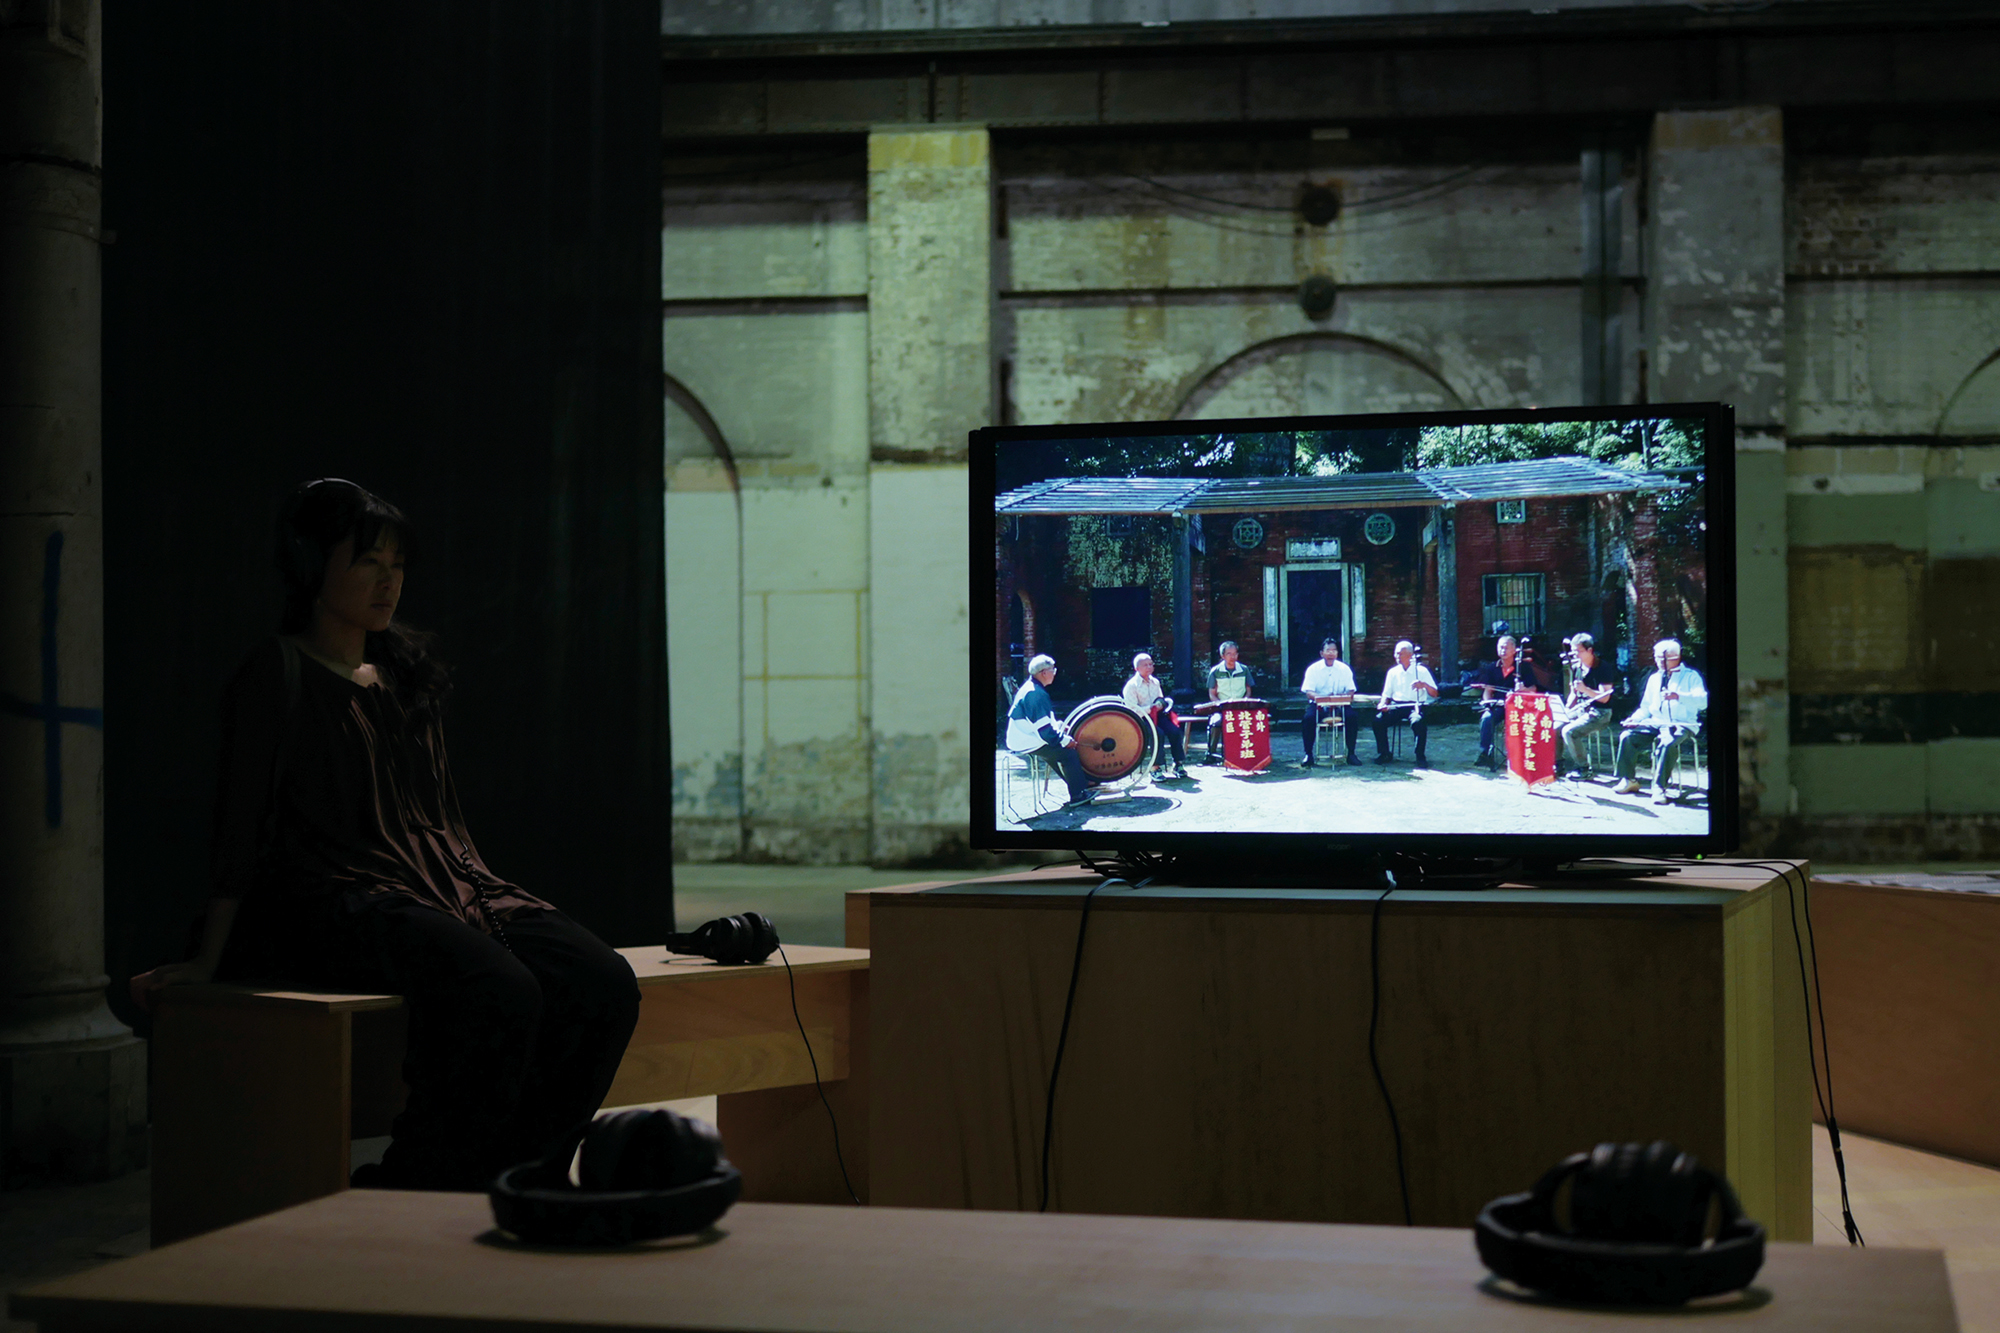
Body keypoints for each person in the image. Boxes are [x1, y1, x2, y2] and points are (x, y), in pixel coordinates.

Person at [129, 478, 641, 1192]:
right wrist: (208, 957)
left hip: (449, 883)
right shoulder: (276, 672)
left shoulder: (404, 673)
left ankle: (525, 1177)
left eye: (397, 564)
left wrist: (474, 891)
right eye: (368, 560)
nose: (388, 580)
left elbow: (438, 815)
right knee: (499, 988)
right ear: (312, 565)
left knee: (603, 981)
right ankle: (420, 1184)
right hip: (341, 892)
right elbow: (239, 826)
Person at [1613, 638, 1708, 803]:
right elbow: (1646, 707)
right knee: (1627, 736)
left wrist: (1679, 696)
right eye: (1656, 658)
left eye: (1662, 659)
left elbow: (1703, 702)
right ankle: (1628, 780)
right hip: (1656, 721)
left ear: (1676, 657)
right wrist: (1634, 719)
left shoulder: (1691, 676)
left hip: (1681, 723)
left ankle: (1659, 787)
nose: (1659, 662)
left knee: (1668, 742)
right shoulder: (1654, 678)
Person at [1007, 654, 1095, 807]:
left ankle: (1081, 782)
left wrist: (1059, 726)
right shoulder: (1036, 694)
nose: (1054, 673)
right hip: (1026, 740)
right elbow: (1045, 731)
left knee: (1056, 753)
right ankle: (1078, 795)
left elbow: (1042, 722)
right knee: (1068, 754)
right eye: (1052, 670)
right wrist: (1065, 740)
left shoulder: (1031, 688)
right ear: (1043, 673)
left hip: (1025, 737)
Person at [1467, 635, 1545, 771]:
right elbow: (1488, 690)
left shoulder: (1523, 667)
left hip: (1519, 706)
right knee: (1486, 718)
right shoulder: (1492, 668)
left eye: (1506, 647)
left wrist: (1524, 689)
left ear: (1514, 650)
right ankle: (1485, 753)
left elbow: (1534, 688)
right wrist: (1487, 704)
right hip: (1499, 705)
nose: (1503, 650)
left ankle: (1522, 756)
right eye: (1500, 647)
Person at [1558, 633, 1617, 780]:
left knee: (1569, 732)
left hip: (1600, 712)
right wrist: (1566, 710)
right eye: (1573, 652)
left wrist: (1585, 690)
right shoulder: (1576, 667)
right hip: (1581, 709)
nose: (1575, 655)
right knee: (1555, 725)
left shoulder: (1603, 667)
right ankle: (1558, 764)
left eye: (1578, 651)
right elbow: (1574, 693)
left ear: (1589, 650)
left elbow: (1604, 698)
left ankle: (1584, 769)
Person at [1373, 640, 1439, 767]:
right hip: (1397, 705)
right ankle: (1384, 753)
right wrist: (1382, 704)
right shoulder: (1392, 672)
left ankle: (1420, 755)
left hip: (1415, 705)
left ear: (1410, 655)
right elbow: (1386, 694)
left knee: (1418, 722)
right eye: (1396, 653)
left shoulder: (1421, 671)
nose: (1397, 657)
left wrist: (1424, 685)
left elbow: (1435, 693)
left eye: (1400, 654)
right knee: (1378, 721)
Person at [1122, 652, 1187, 780]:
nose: (1149, 667)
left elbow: (1160, 698)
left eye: (1151, 664)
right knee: (1158, 734)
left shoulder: (1155, 682)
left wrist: (1161, 704)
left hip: (1157, 715)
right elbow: (1132, 710)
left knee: (1175, 731)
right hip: (1140, 719)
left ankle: (1178, 764)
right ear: (1137, 668)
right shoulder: (1131, 686)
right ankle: (1155, 768)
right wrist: (1151, 708)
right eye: (1145, 665)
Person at [1297, 637, 1358, 769]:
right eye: (1328, 650)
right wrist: (1323, 700)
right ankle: (1308, 754)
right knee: (1308, 718)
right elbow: (1309, 691)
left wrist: (1341, 699)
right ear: (1322, 653)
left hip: (1340, 704)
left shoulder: (1344, 668)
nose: (1331, 653)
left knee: (1352, 717)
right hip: (1319, 704)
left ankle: (1351, 753)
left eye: (1334, 650)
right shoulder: (1313, 669)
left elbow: (1351, 690)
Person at [1201, 641, 1254, 764]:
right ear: (1222, 656)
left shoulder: (1244, 670)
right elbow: (1212, 694)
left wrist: (1245, 701)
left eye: (1235, 653)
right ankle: (1211, 753)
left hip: (1240, 707)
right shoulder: (1215, 671)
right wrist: (1220, 704)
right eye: (1229, 654)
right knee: (1216, 722)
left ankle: (1244, 752)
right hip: (1222, 708)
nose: (1232, 657)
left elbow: (1248, 690)